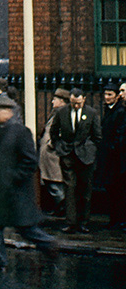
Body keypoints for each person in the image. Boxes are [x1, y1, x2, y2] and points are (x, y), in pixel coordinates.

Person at [0, 94, 57, 272]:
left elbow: (30, 161)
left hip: (15, 192)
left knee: (26, 229)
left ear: (8, 111)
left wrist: (13, 177)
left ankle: (49, 244)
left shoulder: (21, 132)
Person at [50, 87, 102, 234]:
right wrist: (60, 147)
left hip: (86, 157)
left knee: (85, 191)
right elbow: (54, 132)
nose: (76, 106)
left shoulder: (91, 113)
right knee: (70, 189)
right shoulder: (61, 112)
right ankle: (70, 222)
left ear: (84, 99)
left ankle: (84, 222)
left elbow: (97, 136)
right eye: (73, 103)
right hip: (68, 155)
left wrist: (91, 149)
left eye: (78, 103)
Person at [97, 82, 126, 230]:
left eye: (110, 94)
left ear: (116, 97)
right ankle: (115, 219)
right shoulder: (109, 110)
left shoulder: (120, 111)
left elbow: (119, 134)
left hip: (116, 159)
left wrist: (111, 148)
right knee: (112, 190)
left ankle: (120, 220)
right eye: (105, 94)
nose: (106, 97)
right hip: (109, 158)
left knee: (118, 190)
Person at [38, 88, 70, 216]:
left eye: (55, 99)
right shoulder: (56, 113)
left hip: (53, 155)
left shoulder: (62, 114)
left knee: (55, 183)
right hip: (49, 155)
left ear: (62, 101)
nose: (52, 101)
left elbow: (62, 133)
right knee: (51, 182)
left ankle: (63, 206)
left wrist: (51, 144)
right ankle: (60, 207)